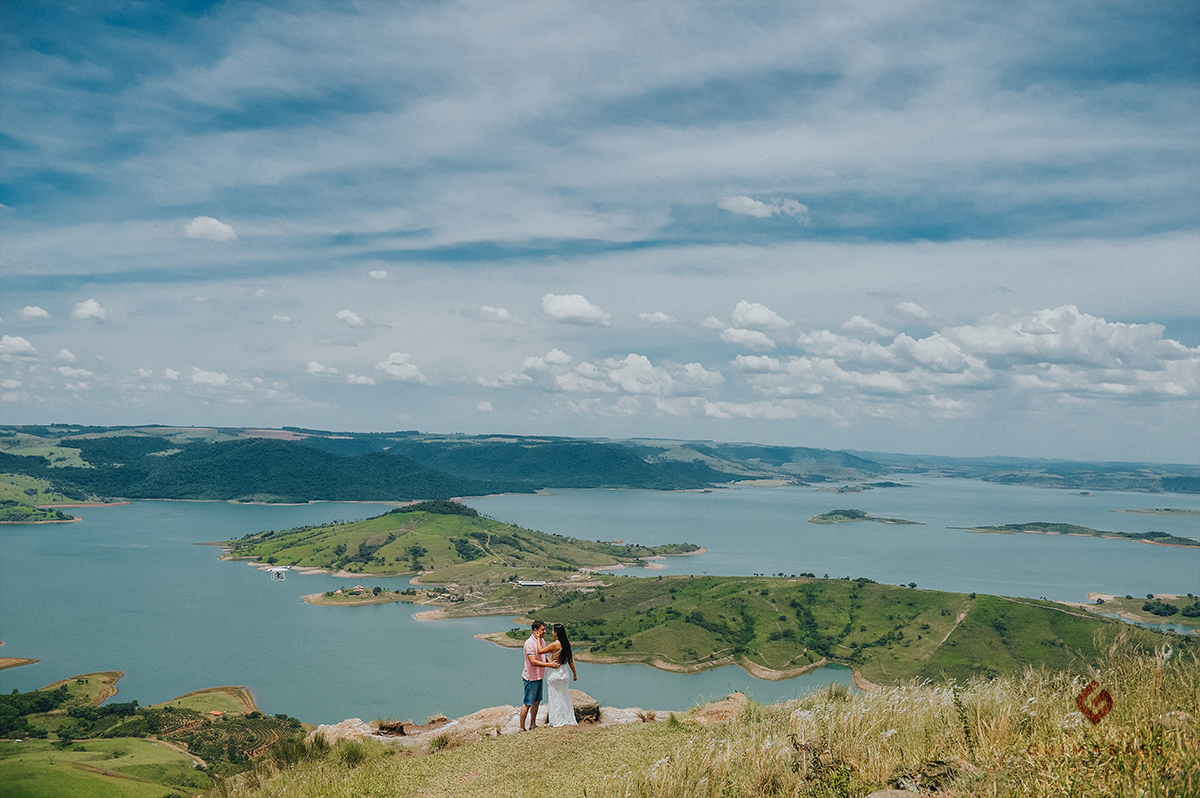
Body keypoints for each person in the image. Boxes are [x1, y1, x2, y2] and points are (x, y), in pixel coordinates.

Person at [520, 620, 558, 731]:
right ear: (535, 630)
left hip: (539, 676)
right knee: (527, 703)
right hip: (530, 677)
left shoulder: (542, 641)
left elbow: (543, 655)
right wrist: (549, 665)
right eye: (543, 629)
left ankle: (532, 724)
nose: (545, 631)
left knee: (536, 702)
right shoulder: (529, 643)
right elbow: (533, 661)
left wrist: (548, 660)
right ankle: (521, 727)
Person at [538, 622, 578, 727]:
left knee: (554, 697)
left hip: (555, 673)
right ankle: (567, 718)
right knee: (564, 696)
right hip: (564, 673)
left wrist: (538, 639)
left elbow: (540, 651)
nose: (552, 632)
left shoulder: (555, 644)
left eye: (552, 630)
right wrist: (575, 674)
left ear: (556, 633)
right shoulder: (567, 645)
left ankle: (556, 720)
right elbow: (571, 662)